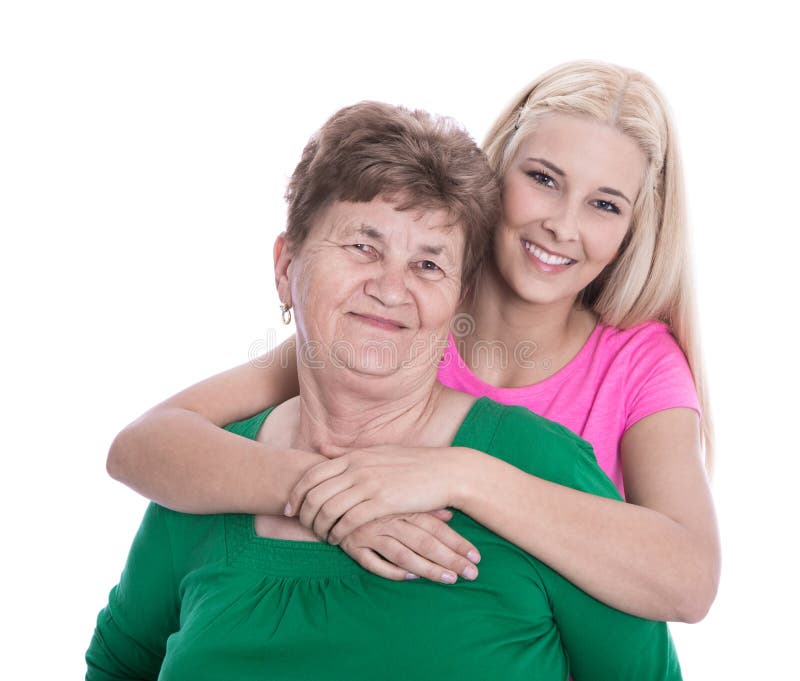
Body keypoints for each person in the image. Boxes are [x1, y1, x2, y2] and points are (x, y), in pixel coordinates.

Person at [87, 101, 682, 680]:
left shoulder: (544, 467)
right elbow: (117, 665)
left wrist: (462, 477)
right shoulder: (203, 476)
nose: (390, 289)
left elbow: (678, 595)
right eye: (362, 247)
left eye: (428, 265)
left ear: (458, 296)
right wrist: (327, 497)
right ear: (285, 266)